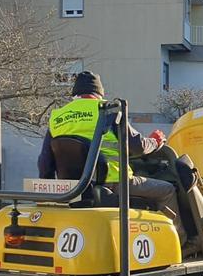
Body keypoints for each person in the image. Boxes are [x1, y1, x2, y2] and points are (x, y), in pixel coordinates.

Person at [37, 70, 179, 222]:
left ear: (74, 94)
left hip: (74, 189)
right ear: (99, 93)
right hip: (114, 182)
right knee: (168, 190)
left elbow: (45, 162)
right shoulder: (108, 110)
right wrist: (155, 141)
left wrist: (51, 194)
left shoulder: (57, 116)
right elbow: (136, 147)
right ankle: (181, 242)